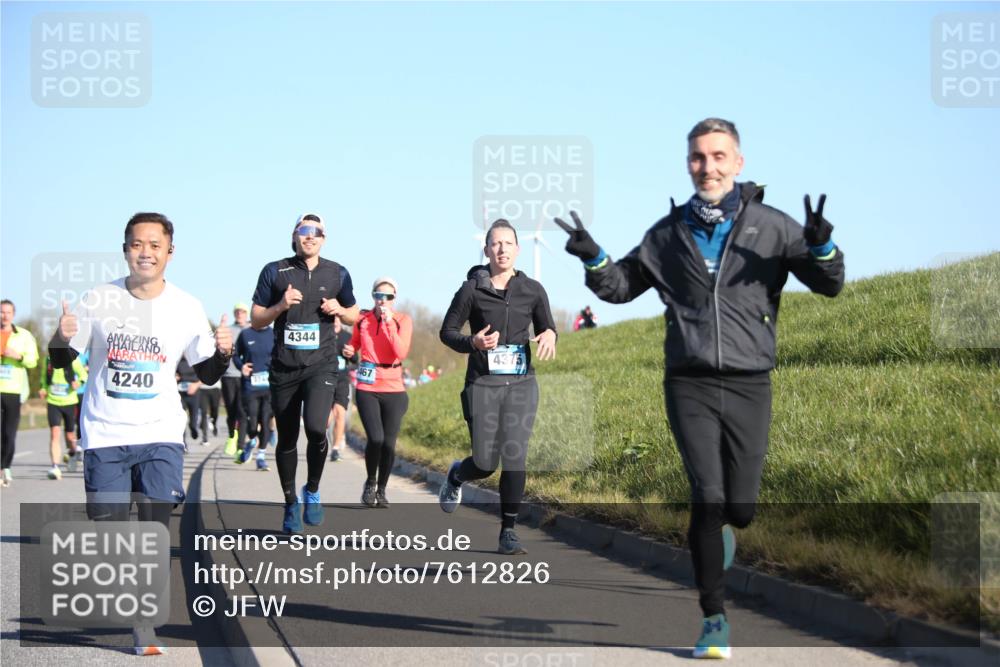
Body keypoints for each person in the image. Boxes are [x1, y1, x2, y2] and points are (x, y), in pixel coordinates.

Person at [554, 118, 845, 659]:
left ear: (738, 162)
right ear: (688, 163)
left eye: (718, 156)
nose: (707, 166)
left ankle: (724, 536)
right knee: (708, 498)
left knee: (742, 508)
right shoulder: (668, 235)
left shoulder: (773, 227)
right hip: (688, 381)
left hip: (750, 379)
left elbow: (829, 285)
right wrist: (593, 256)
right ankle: (714, 619)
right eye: (697, 157)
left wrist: (822, 246)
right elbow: (621, 286)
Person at [49, 211, 233, 655]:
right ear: (125, 250)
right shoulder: (99, 299)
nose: (145, 252)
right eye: (137, 244)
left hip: (160, 434)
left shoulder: (186, 306)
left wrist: (224, 352)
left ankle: (143, 624)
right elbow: (59, 360)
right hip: (105, 435)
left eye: (155, 245)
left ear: (170, 252)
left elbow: (208, 373)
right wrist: (60, 336)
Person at [438, 219, 558, 555]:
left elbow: (547, 327)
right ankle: (457, 475)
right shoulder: (471, 291)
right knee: (486, 462)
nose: (502, 249)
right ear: (487, 249)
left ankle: (508, 531)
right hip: (483, 385)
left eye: (508, 243)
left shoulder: (533, 290)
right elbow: (447, 332)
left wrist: (551, 334)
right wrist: (473, 342)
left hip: (521, 384)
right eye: (495, 243)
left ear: (517, 249)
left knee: (515, 455)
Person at [251, 213, 359, 534]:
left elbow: (354, 314)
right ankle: (290, 503)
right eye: (304, 230)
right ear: (294, 236)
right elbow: (256, 319)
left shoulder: (338, 273)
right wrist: (280, 306)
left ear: (324, 238)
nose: (310, 236)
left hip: (321, 365)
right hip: (284, 368)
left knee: (315, 427)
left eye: (316, 231)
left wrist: (340, 310)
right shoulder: (275, 271)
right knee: (286, 438)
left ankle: (312, 489)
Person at [342, 277, 412, 507]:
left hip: (394, 387)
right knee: (376, 438)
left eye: (388, 296)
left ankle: (382, 489)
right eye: (378, 295)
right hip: (367, 386)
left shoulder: (403, 320)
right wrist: (350, 349)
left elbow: (401, 352)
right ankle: (371, 481)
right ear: (373, 296)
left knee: (389, 444)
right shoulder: (362, 319)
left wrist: (389, 322)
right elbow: (354, 343)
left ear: (394, 299)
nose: (382, 300)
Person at [1, 299, 39, 487]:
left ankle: (5, 466)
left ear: (13, 314)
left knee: (9, 433)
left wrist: (17, 356)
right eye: (1, 312)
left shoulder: (23, 335)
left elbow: (33, 361)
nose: (4, 316)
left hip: (13, 390)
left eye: (8, 312)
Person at [39, 354, 87, 478]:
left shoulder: (73, 360)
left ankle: (73, 452)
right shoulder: (49, 360)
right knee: (54, 433)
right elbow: (44, 378)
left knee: (70, 435)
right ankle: (55, 467)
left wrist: (78, 383)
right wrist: (43, 388)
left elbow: (84, 376)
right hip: (53, 401)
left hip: (69, 402)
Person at [234, 321, 274, 470]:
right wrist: (241, 366)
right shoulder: (245, 334)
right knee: (252, 423)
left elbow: (282, 354)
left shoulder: (273, 333)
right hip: (250, 385)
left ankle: (261, 457)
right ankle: (252, 441)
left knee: (265, 419)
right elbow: (235, 355)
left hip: (269, 386)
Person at [328, 315, 357, 462]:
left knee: (340, 414)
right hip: (324, 380)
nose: (335, 321)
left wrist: (350, 356)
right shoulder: (324, 334)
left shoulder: (347, 337)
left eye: (337, 318)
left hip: (342, 380)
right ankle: (327, 438)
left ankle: (335, 449)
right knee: (327, 419)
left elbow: (356, 360)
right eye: (332, 318)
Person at [222, 303, 249, 455]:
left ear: (247, 313)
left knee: (242, 412)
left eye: (243, 312)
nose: (240, 314)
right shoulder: (228, 330)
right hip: (229, 375)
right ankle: (232, 436)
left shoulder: (251, 329)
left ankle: (241, 446)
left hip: (245, 377)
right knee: (231, 411)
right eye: (237, 312)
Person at [175, 358, 201, 451]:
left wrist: (196, 385)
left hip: (194, 392)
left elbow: (204, 378)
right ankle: (183, 444)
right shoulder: (177, 360)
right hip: (180, 393)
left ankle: (193, 428)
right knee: (180, 419)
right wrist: (175, 377)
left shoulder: (196, 360)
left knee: (193, 419)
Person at [198, 378, 221, 445]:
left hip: (215, 388)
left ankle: (214, 423)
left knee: (215, 409)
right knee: (203, 412)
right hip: (201, 389)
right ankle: (204, 438)